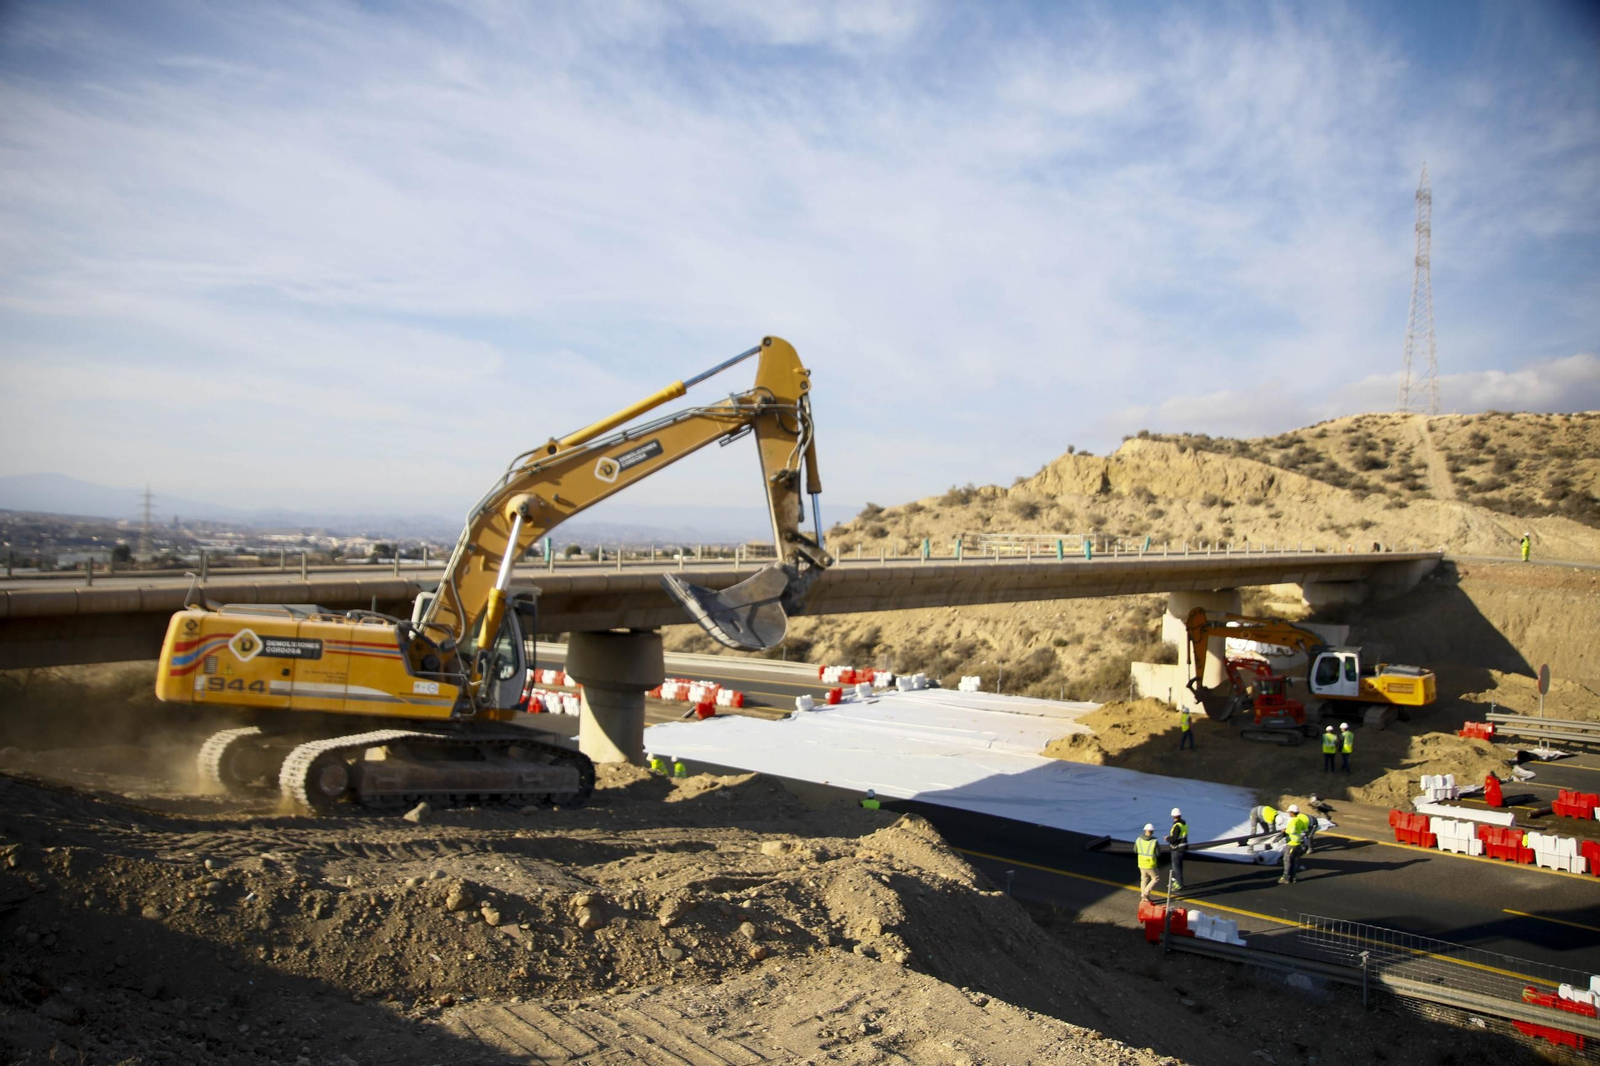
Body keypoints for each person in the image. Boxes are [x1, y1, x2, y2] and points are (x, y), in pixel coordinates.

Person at [1280, 804, 1309, 884]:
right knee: (1294, 861)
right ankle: (1293, 877)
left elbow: (1291, 831)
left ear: (1292, 812)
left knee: (1287, 861)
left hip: (1291, 844)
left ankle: (1286, 878)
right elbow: (1304, 829)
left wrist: (1284, 831)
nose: (1289, 813)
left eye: (1289, 812)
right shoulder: (1299, 820)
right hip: (1298, 844)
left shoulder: (1293, 821)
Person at [1136, 823, 1161, 901]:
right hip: (1150, 864)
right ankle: (1145, 893)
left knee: (1144, 879)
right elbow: (1158, 853)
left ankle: (1144, 897)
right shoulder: (1154, 841)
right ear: (1152, 832)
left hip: (1141, 863)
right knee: (1155, 878)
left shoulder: (1138, 840)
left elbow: (1135, 850)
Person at [1167, 808, 1188, 891]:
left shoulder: (1177, 826)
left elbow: (1174, 839)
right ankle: (1180, 882)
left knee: (1176, 867)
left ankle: (1178, 884)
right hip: (1183, 847)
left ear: (1173, 816)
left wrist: (1167, 838)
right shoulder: (1184, 824)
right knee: (1179, 866)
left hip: (1177, 848)